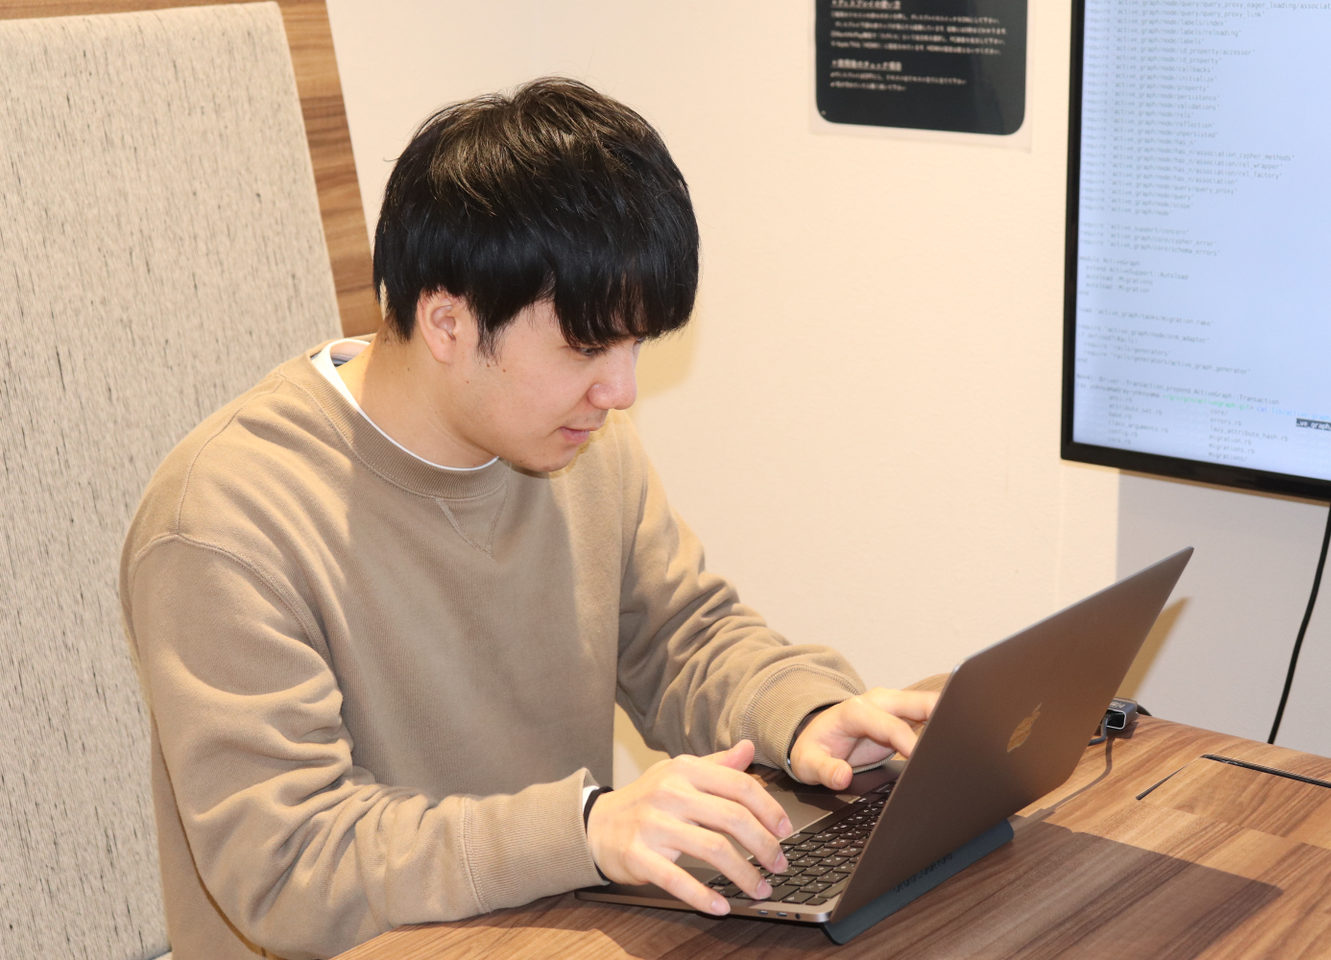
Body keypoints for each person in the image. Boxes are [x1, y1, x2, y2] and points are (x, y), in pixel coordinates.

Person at [120, 78, 936, 960]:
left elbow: (679, 638)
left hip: (561, 929)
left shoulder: (579, 443)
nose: (620, 390)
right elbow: (290, 865)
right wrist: (584, 829)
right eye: (588, 347)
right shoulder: (222, 521)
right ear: (447, 322)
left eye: (635, 345)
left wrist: (805, 714)